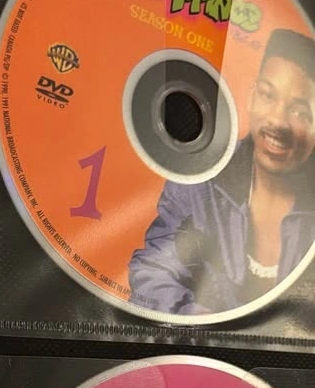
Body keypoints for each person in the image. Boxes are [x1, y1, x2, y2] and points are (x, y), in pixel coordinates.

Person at [129, 29, 315, 314]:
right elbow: (154, 272)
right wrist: (202, 326)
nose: (278, 121)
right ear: (251, 97)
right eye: (267, 95)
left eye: (300, 111)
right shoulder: (199, 180)